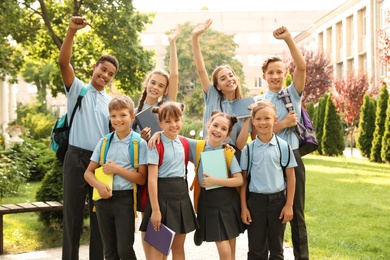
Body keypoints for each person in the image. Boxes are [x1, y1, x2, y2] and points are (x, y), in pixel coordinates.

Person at [58, 16, 119, 260]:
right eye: (103, 69)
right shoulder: (78, 89)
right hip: (75, 158)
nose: (105, 75)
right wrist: (72, 30)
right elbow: (64, 63)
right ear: (95, 67)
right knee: (71, 218)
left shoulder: (111, 102)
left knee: (99, 219)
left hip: (99, 164)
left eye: (110, 74)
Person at [254, 26, 309, 259]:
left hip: (293, 159)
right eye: (270, 72)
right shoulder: (258, 101)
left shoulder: (292, 94)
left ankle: (301, 257)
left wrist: (288, 39)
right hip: (268, 161)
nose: (275, 76)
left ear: (284, 73)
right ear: (264, 75)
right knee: (270, 215)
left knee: (296, 213)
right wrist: (283, 123)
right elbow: (259, 133)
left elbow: (303, 67)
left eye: (279, 71)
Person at [84, 96, 147, 260]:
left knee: (124, 250)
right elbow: (88, 173)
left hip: (125, 200)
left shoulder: (139, 143)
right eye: (113, 116)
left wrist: (117, 169)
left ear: (132, 117)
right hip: (103, 200)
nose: (118, 119)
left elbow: (141, 179)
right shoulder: (104, 142)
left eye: (123, 115)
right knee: (109, 252)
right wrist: (98, 186)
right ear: (110, 118)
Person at [139, 102, 198, 260]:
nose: (173, 125)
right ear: (160, 123)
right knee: (159, 249)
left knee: (178, 247)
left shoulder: (185, 142)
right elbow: (152, 179)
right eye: (168, 121)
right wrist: (156, 210)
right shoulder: (155, 144)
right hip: (162, 199)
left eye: (177, 120)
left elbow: (210, 145)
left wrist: (227, 147)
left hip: (181, 197)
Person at [240, 100, 297, 259]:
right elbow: (243, 181)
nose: (262, 122)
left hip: (278, 203)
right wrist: (244, 207)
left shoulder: (283, 146)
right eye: (258, 119)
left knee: (277, 249)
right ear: (253, 122)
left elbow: (291, 177)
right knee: (256, 250)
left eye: (267, 118)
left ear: (275, 120)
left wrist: (289, 205)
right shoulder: (248, 150)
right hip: (255, 203)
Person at [191, 19, 251, 154]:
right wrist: (195, 37)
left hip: (232, 155)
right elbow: (201, 69)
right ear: (218, 86)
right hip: (210, 152)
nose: (229, 79)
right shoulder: (212, 95)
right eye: (223, 78)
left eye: (231, 75)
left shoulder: (245, 105)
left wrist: (248, 118)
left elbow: (240, 145)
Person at [193, 111, 245, 260]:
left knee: (229, 245)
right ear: (208, 126)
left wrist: (215, 181)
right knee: (223, 244)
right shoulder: (196, 146)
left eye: (223, 129)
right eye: (215, 125)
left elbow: (239, 180)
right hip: (209, 202)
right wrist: (157, 135)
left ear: (227, 134)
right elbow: (175, 138)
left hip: (228, 201)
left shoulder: (227, 152)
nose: (217, 130)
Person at [132, 24, 181, 141]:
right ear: (147, 83)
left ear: (165, 90)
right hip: (141, 158)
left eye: (161, 86)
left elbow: (174, 75)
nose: (155, 87)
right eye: (153, 82)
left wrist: (172, 42)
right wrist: (142, 139)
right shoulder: (133, 113)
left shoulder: (165, 107)